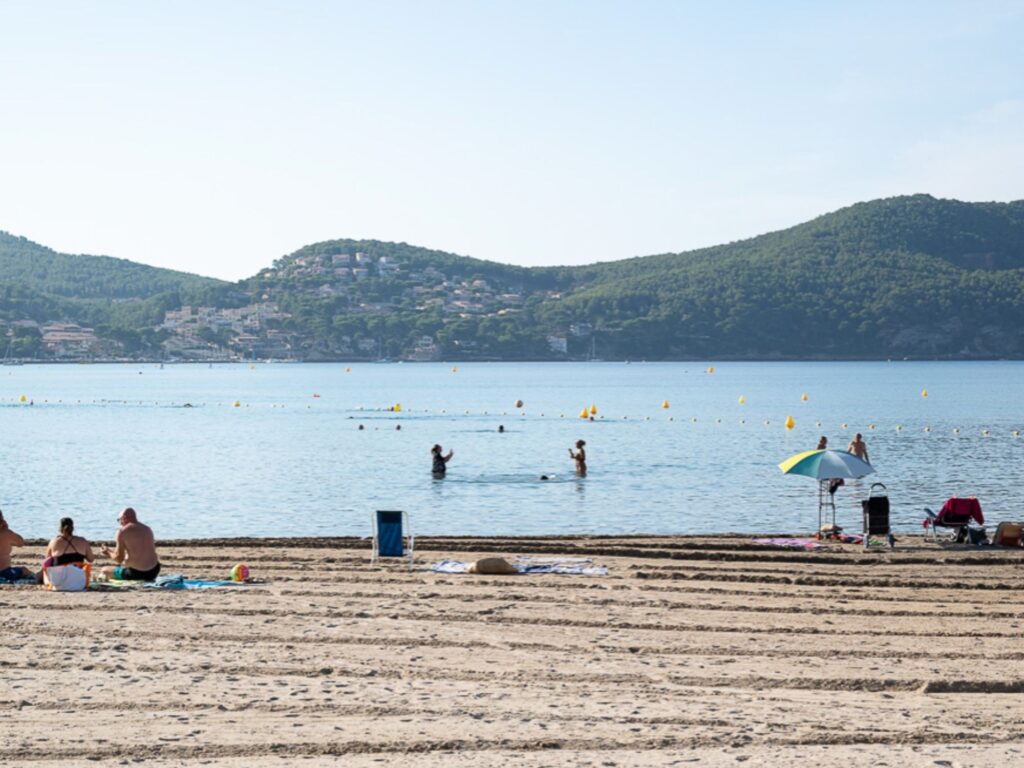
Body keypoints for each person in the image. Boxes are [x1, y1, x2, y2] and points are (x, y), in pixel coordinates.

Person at [101, 507, 161, 581]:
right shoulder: (147, 529)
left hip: (136, 573)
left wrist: (107, 552)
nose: (120, 523)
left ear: (124, 518)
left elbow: (119, 559)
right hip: (154, 570)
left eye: (119, 520)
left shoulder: (122, 532)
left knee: (104, 570)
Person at [0, 510, 33, 582]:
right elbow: (21, 542)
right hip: (4, 572)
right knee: (24, 570)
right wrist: (7, 529)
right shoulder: (5, 533)